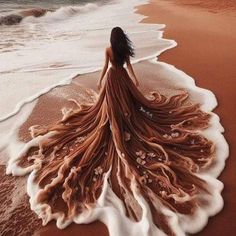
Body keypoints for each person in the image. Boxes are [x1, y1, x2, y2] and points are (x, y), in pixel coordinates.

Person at [10, 26, 215, 234]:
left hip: (112, 80)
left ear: (111, 38)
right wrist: (133, 79)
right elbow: (128, 66)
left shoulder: (109, 50)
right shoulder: (123, 50)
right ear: (122, 38)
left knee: (110, 109)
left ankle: (118, 120)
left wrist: (101, 80)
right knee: (129, 106)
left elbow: (105, 67)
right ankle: (124, 118)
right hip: (122, 79)